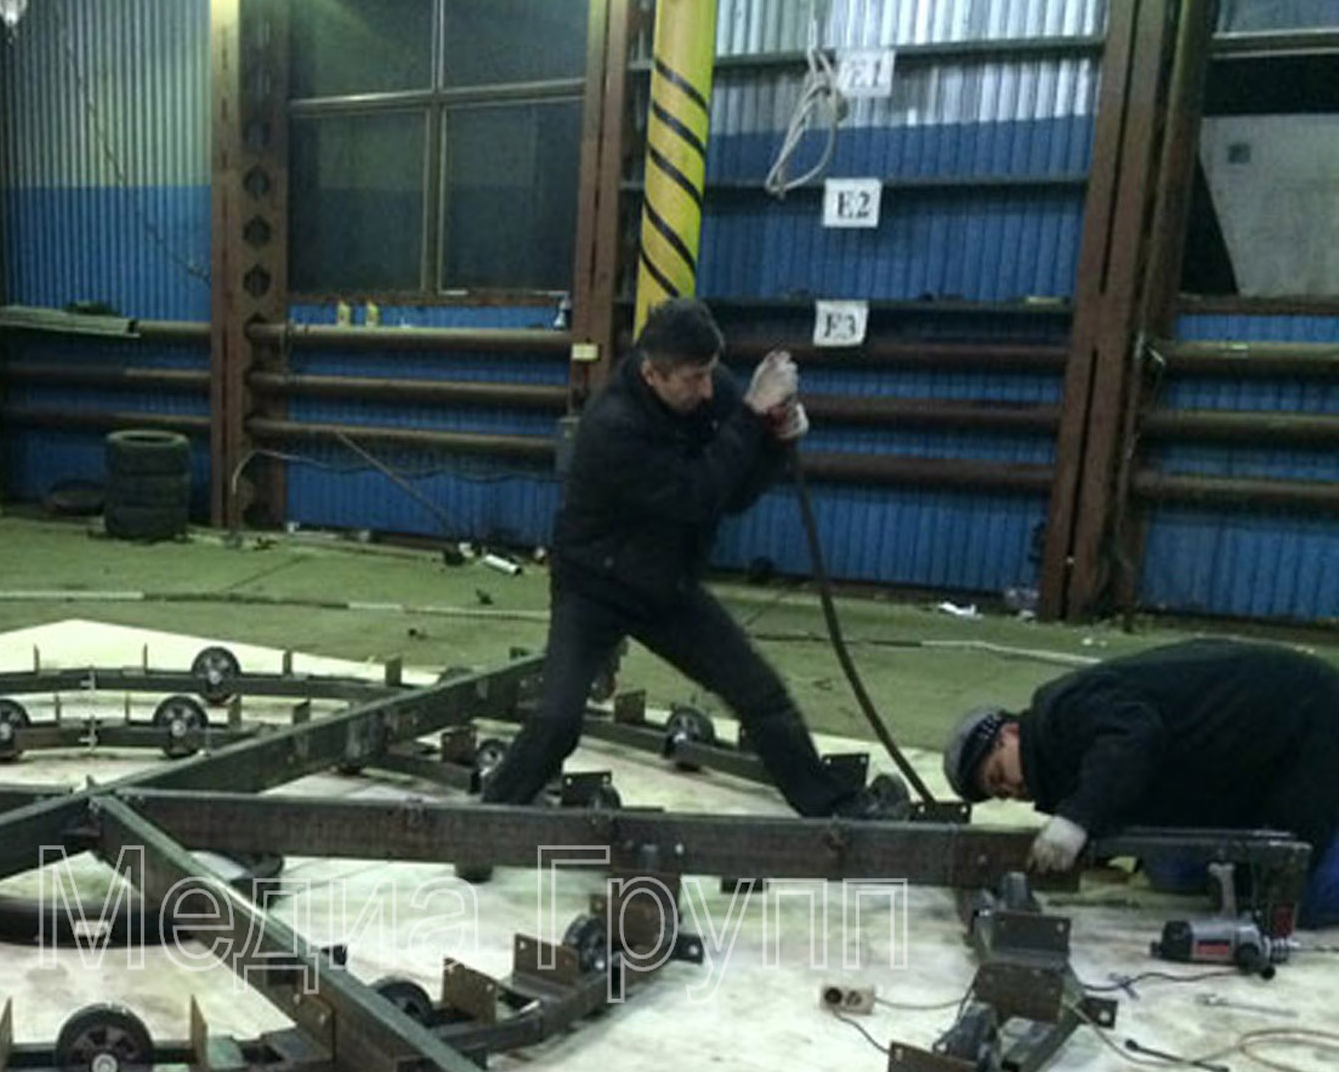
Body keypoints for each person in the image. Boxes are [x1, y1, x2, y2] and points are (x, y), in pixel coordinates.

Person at [474, 297, 878, 838]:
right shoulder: (611, 426)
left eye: (711, 372)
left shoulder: (708, 391)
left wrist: (775, 442)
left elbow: (732, 494)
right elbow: (696, 495)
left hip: (665, 584)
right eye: (693, 378)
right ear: (652, 373)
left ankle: (833, 811)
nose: (708, 389)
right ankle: (483, 823)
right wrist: (752, 417)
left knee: (761, 695)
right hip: (594, 587)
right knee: (557, 720)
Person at [942, 638, 1339, 926]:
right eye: (1001, 794)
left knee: (1286, 900)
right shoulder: (1060, 762)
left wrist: (1078, 818)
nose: (1012, 790)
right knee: (1173, 872)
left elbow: (1135, 736)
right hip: (1242, 762)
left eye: (999, 775)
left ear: (1010, 733)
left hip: (1305, 724)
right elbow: (1122, 783)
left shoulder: (1062, 710)